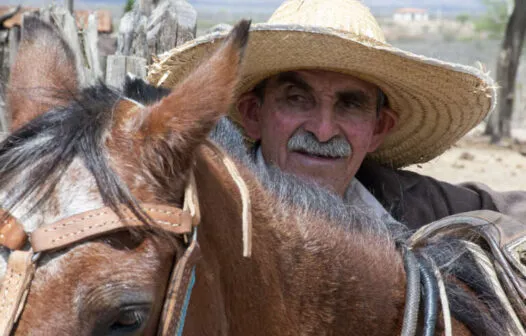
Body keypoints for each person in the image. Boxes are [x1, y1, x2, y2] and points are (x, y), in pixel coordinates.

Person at [148, 0, 526, 230]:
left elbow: (506, 210)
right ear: (252, 113)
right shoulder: (202, 209)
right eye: (297, 98)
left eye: (349, 104)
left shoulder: (405, 200)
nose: (324, 130)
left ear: (379, 128)